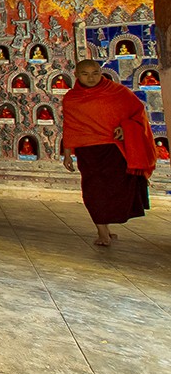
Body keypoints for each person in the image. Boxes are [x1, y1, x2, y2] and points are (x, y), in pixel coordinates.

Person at [63, 59, 156, 246]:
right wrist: (67, 153)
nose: (91, 78)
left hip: (114, 149)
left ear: (101, 72)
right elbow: (70, 127)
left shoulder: (117, 92)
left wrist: (125, 127)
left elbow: (137, 113)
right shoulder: (72, 98)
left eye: (95, 73)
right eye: (85, 74)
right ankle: (102, 231)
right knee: (94, 191)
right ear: (76, 75)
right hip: (89, 151)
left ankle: (108, 226)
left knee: (118, 189)